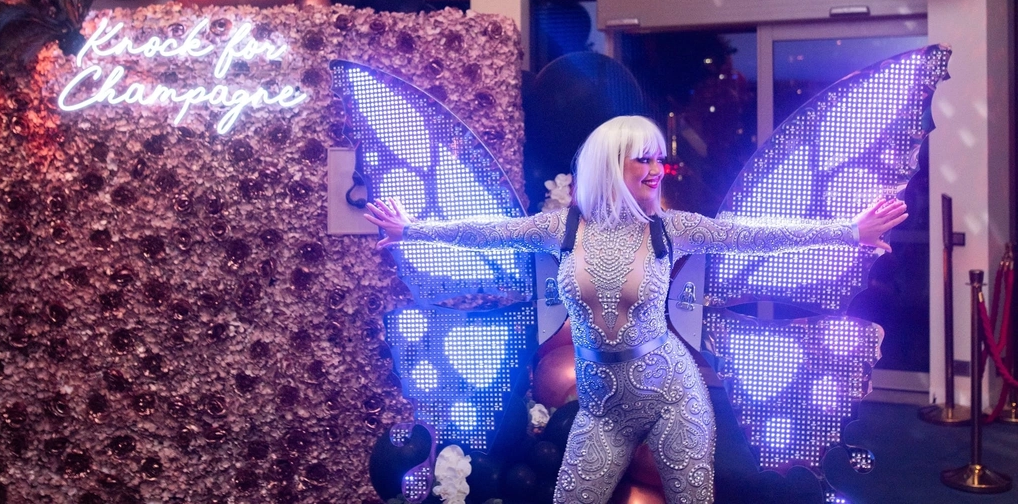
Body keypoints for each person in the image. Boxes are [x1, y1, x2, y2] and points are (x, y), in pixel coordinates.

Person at [364, 115, 907, 504]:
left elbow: (753, 236)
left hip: (673, 395)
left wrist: (850, 232)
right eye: (642, 158)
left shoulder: (669, 228)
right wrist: (410, 228)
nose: (656, 168)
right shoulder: (564, 227)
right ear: (609, 164)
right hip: (602, 408)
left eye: (658, 157)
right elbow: (486, 233)